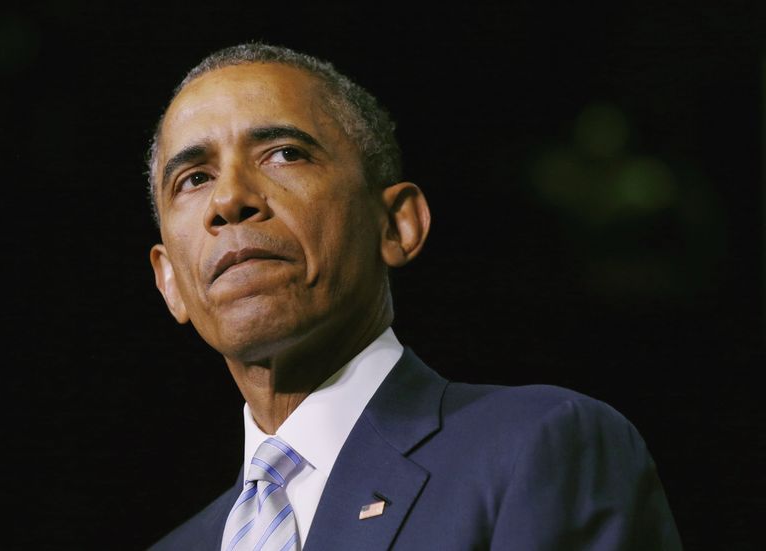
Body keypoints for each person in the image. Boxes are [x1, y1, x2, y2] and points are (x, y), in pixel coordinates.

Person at [145, 42, 682, 550]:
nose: (229, 199)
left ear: (396, 226)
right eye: (193, 179)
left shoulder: (536, 446)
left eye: (285, 154)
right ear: (170, 282)